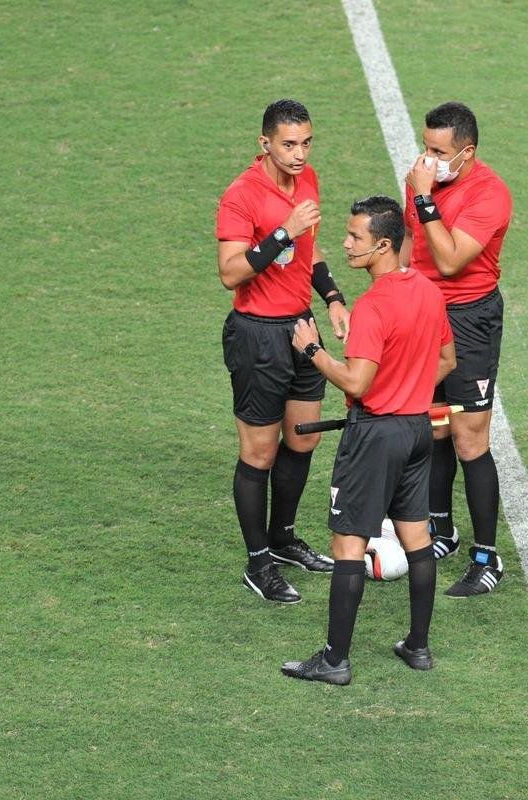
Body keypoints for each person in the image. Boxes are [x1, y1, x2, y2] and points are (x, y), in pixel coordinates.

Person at [282, 196, 456, 685]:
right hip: (417, 431)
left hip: (374, 437)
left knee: (348, 543)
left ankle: (335, 660)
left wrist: (312, 350)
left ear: (383, 245)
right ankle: (418, 647)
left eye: (355, 237)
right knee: (417, 537)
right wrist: (409, 386)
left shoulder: (373, 305)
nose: (346, 243)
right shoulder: (425, 289)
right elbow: (447, 360)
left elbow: (357, 383)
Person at [216, 99, 352, 603]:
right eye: (289, 144)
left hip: (300, 329)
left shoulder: (308, 180)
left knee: (302, 440)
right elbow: (230, 271)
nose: (299, 154)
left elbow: (310, 251)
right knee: (259, 451)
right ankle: (258, 564)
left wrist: (333, 298)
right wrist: (282, 232)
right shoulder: (241, 195)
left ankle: (283, 538)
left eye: (306, 143)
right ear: (265, 143)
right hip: (256, 335)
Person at [401, 101, 513, 597]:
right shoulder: (423, 180)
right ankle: (441, 530)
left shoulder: (490, 195)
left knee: (469, 438)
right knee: (432, 427)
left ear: (467, 153)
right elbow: (410, 245)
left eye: (439, 151)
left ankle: (487, 558)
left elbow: (449, 260)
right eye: (426, 147)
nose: (429, 158)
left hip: (469, 321)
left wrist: (425, 198)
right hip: (423, 317)